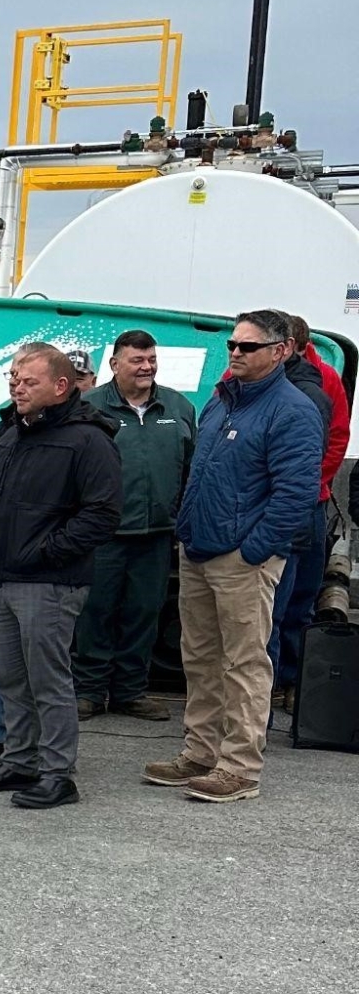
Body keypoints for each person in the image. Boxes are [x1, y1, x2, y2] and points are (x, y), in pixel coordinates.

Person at [146, 309, 322, 803]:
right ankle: (201, 752)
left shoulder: (292, 410)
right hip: (200, 548)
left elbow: (296, 494)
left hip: (242, 558)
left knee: (244, 662)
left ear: (280, 351)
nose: (236, 352)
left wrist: (254, 551)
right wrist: (187, 530)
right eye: (232, 344)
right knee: (200, 657)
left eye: (248, 346)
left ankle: (240, 767)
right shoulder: (222, 399)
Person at [0, 343, 122, 810]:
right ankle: (20, 760)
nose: (17, 387)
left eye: (29, 381)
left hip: (49, 582)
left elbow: (102, 514)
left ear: (61, 386)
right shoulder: (8, 432)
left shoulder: (88, 439)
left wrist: (47, 553)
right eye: (13, 378)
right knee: (9, 677)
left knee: (48, 680)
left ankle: (57, 774)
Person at [73, 330, 197, 720]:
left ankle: (130, 691)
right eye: (137, 360)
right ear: (114, 364)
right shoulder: (89, 407)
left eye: (151, 360)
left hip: (156, 534)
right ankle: (89, 690)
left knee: (143, 613)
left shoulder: (178, 407)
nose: (147, 367)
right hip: (102, 536)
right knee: (95, 612)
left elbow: (192, 469)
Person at [269, 311, 345, 707]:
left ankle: (293, 678)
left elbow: (337, 438)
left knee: (301, 597)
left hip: (311, 503)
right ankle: (267, 680)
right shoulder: (246, 375)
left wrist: (312, 484)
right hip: (274, 502)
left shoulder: (326, 380)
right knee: (272, 601)